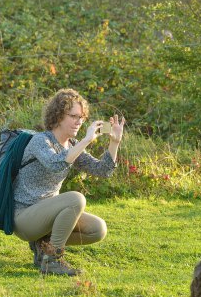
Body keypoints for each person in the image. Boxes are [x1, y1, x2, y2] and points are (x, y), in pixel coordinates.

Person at [12, 88, 125, 276]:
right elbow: (55, 164)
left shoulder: (72, 145)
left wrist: (114, 142)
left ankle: (43, 246)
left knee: (98, 229)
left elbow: (103, 170)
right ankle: (51, 260)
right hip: (24, 217)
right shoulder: (40, 141)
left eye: (81, 117)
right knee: (76, 199)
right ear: (58, 116)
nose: (79, 122)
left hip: (47, 215)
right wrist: (87, 140)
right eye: (73, 116)